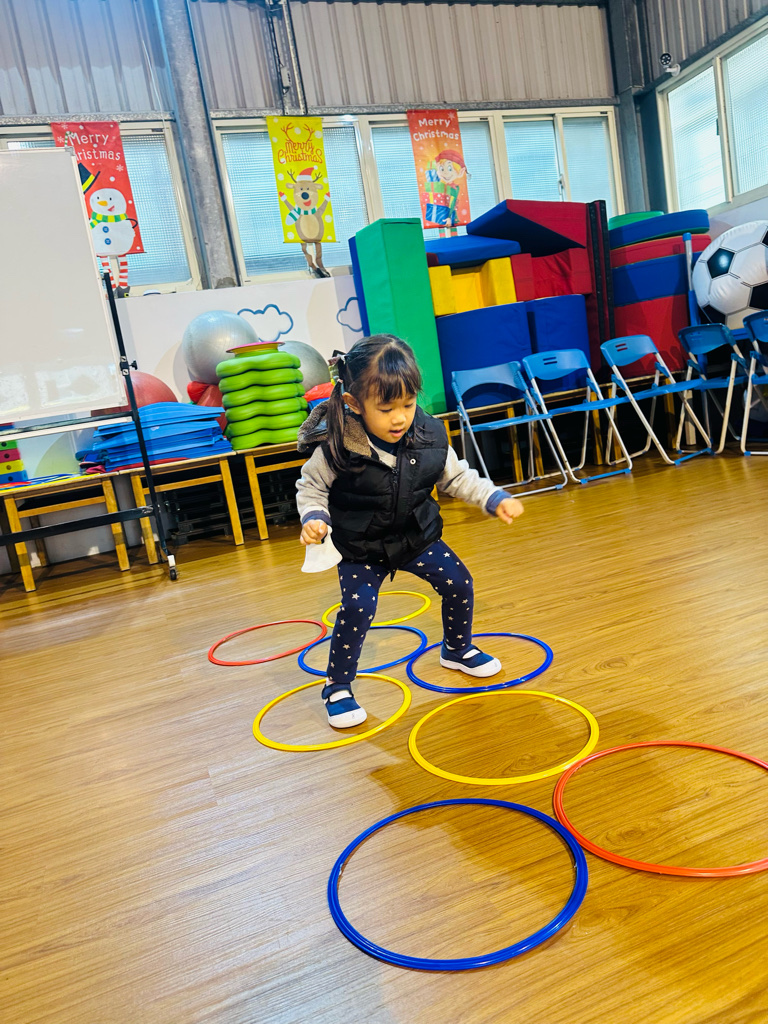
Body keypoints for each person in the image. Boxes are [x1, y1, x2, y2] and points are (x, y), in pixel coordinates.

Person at [296, 335, 524, 729]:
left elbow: (456, 477)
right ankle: (337, 686)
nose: (399, 418)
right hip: (361, 545)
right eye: (386, 409)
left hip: (416, 535)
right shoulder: (336, 445)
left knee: (459, 583)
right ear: (354, 403)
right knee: (357, 608)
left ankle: (456, 649)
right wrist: (314, 517)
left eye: (407, 403)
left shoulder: (430, 435)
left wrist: (492, 497)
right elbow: (311, 487)